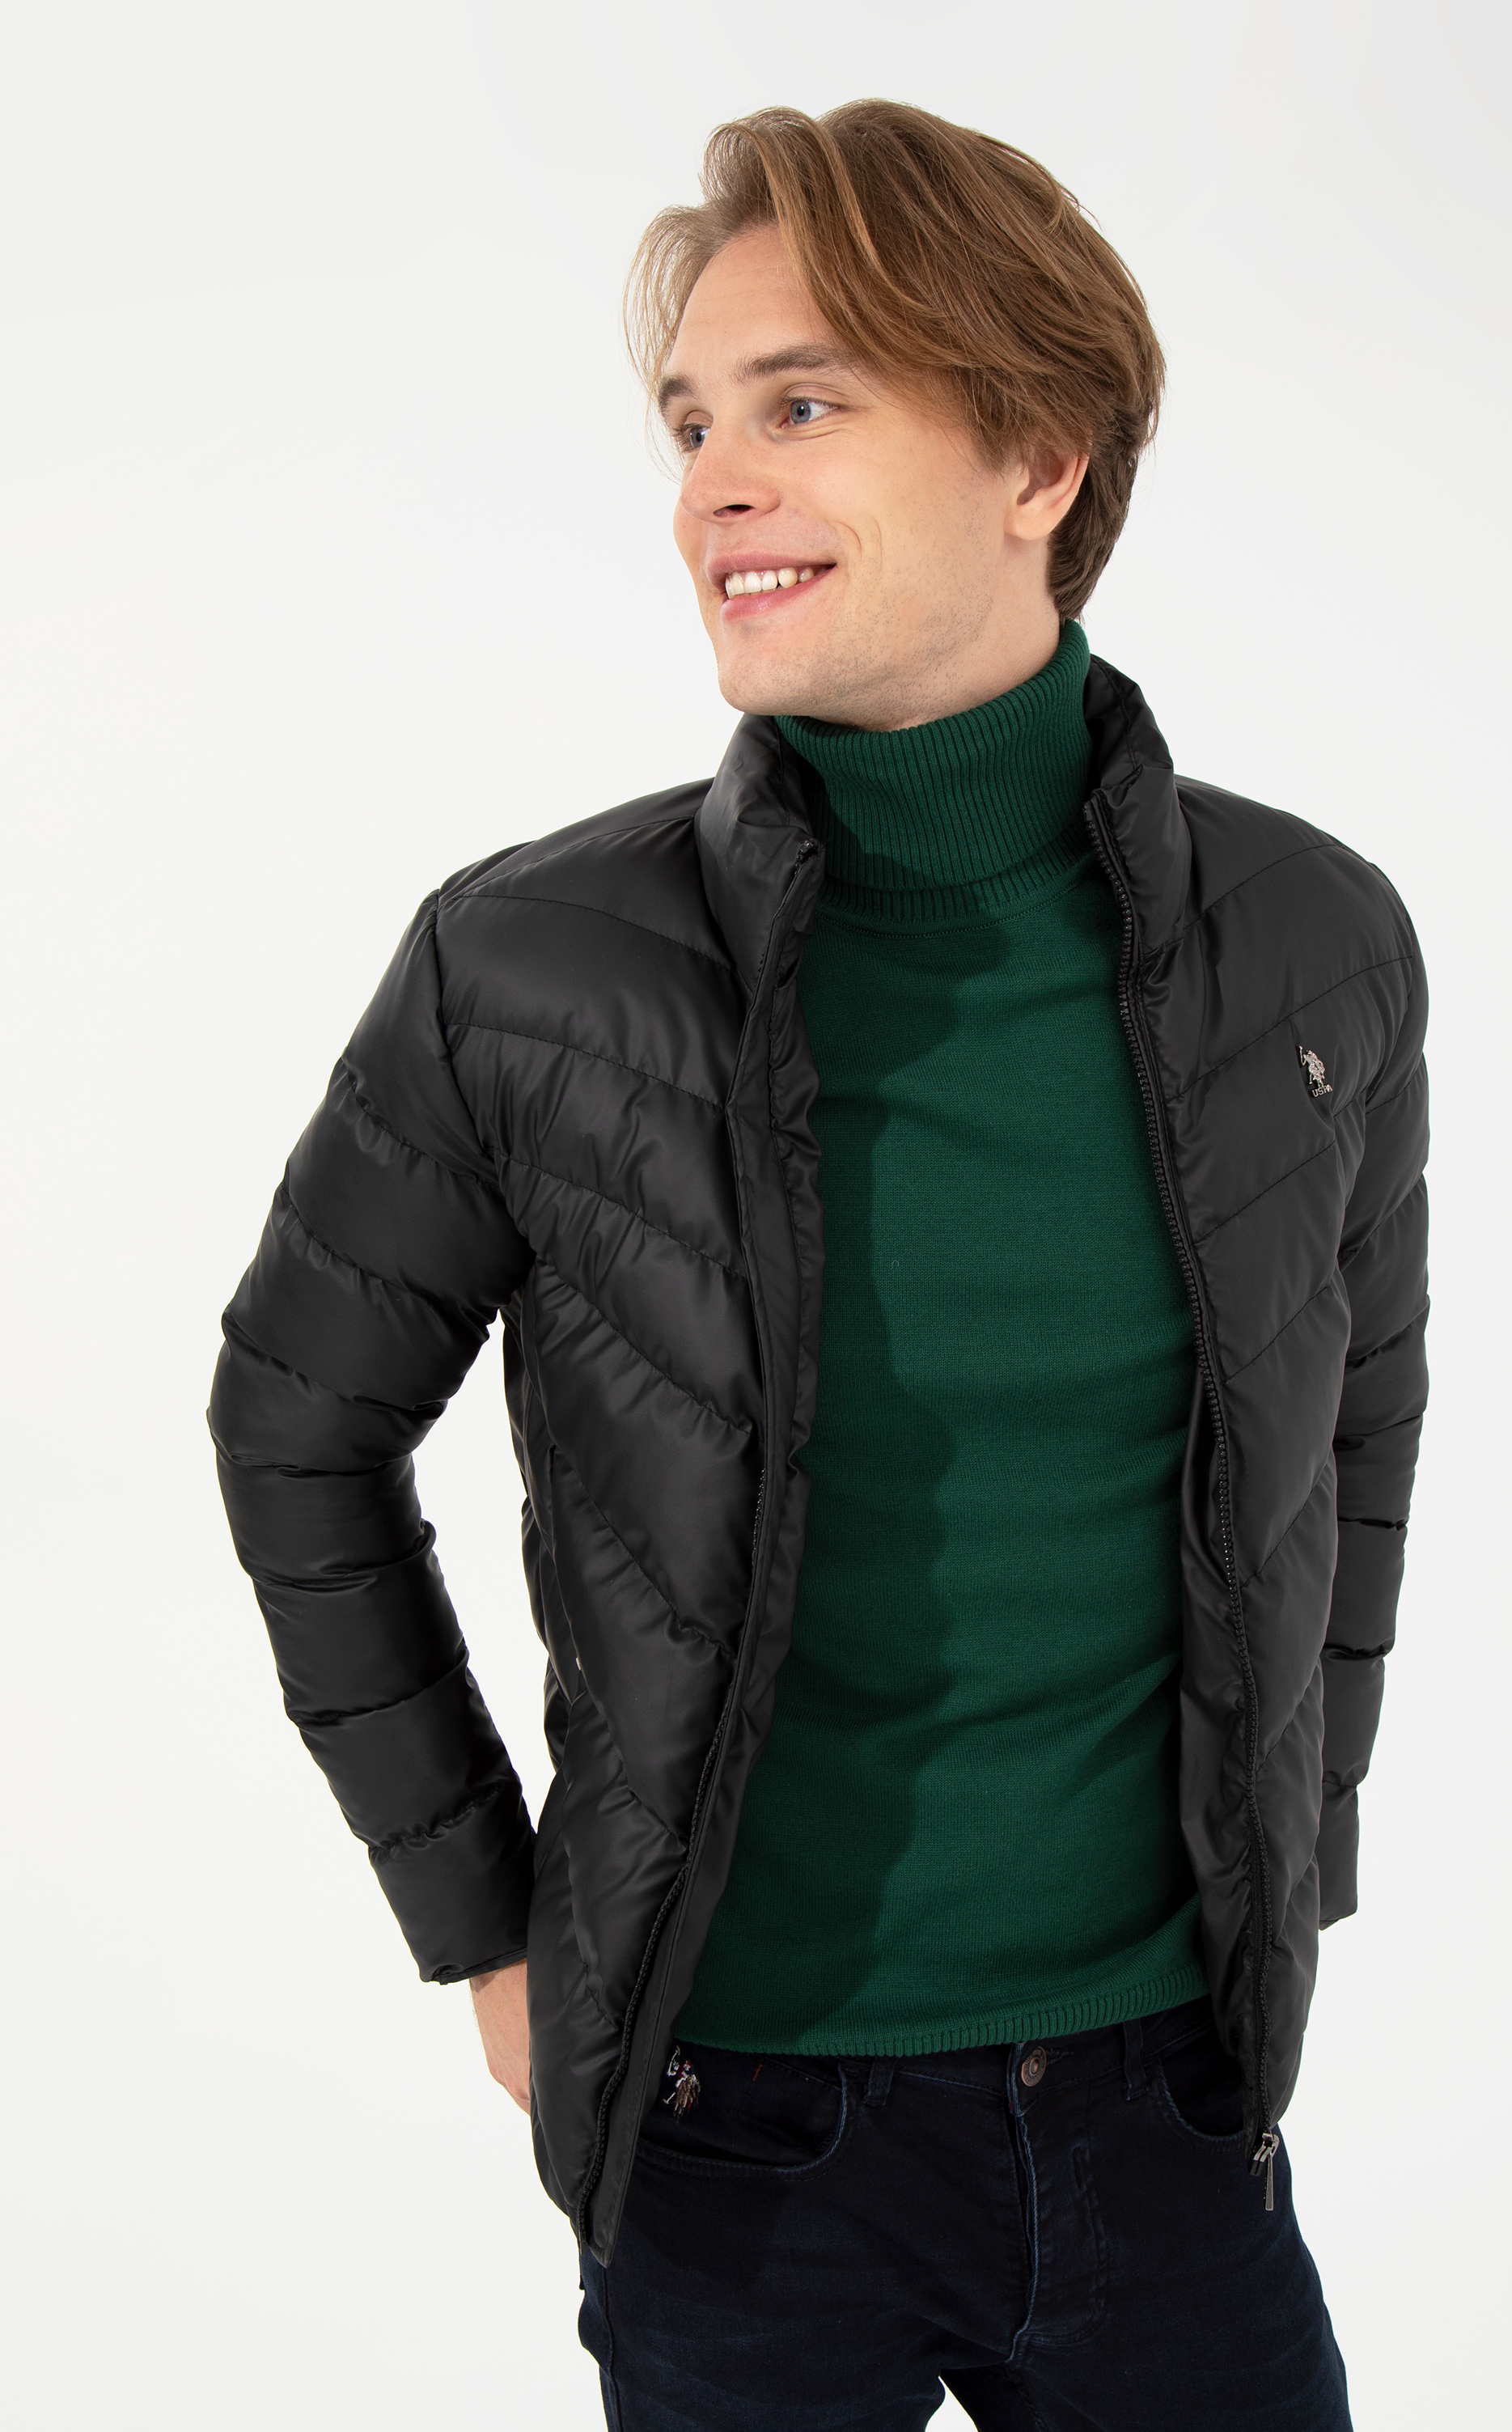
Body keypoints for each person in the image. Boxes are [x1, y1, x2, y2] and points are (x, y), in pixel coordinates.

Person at [210, 100, 1429, 2431]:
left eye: (800, 405)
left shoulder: (1313, 944)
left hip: (1169, 2115)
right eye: (691, 424)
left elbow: (1353, 1432)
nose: (711, 489)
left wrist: (1299, 1861)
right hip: (734, 2137)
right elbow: (296, 1427)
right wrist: (484, 1925)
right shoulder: (527, 968)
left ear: (1039, 456)